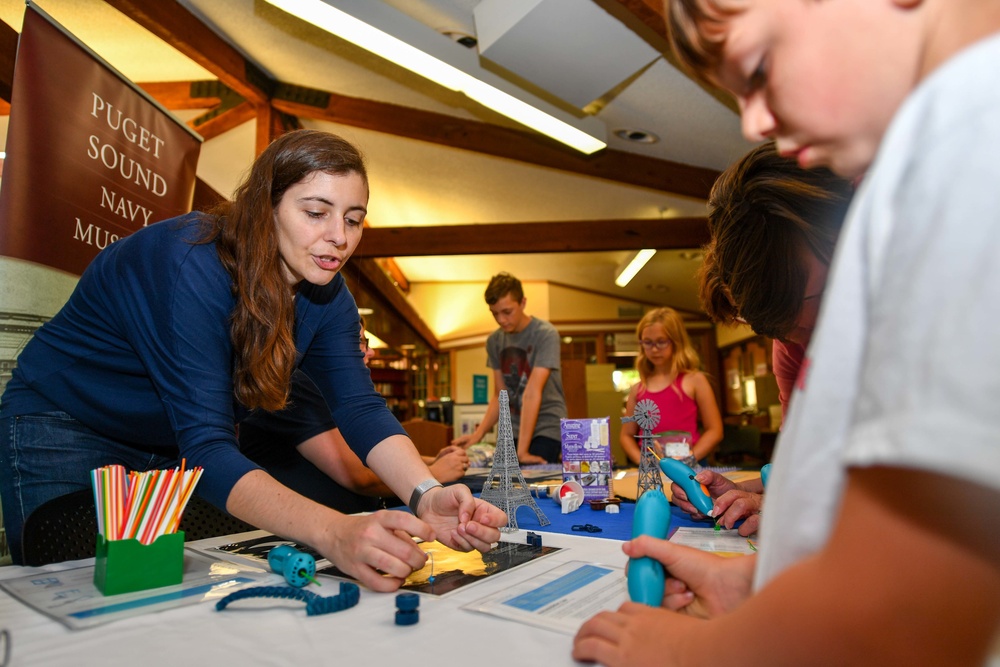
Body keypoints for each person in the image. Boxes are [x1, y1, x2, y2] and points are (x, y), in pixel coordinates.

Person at [573, 1, 1000, 665]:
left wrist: (695, 652)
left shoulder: (963, 146)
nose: (755, 121)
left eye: (761, 66)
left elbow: (903, 615)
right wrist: (769, 590)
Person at [0, 129, 505, 587]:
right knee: (65, 593)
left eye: (353, 219)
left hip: (166, 442)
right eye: (316, 212)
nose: (340, 236)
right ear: (265, 207)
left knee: (153, 600)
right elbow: (208, 446)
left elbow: (359, 408)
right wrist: (334, 531)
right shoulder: (189, 262)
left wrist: (423, 493)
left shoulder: (327, 294)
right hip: (65, 424)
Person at [673, 142, 853, 535]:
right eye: (781, 327)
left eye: (813, 300)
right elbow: (805, 465)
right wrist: (747, 492)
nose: (801, 334)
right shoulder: (790, 345)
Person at [238, 317, 470, 515]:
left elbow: (364, 450)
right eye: (359, 340)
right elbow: (358, 475)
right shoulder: (296, 383)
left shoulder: (324, 386)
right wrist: (434, 475)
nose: (370, 351)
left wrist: (427, 460)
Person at [452, 272, 567, 464]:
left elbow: (531, 392)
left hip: (546, 426)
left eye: (507, 312)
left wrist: (521, 453)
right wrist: (476, 436)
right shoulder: (494, 341)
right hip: (513, 427)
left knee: (534, 480)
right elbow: (500, 394)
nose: (501, 320)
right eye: (495, 313)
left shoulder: (545, 334)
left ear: (523, 302)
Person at [620, 307, 723, 465]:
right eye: (648, 342)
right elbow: (626, 435)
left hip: (690, 465)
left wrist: (690, 457)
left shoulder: (695, 380)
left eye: (661, 342)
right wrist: (642, 461)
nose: (654, 349)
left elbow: (715, 430)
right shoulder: (638, 389)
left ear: (676, 341)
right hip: (651, 466)